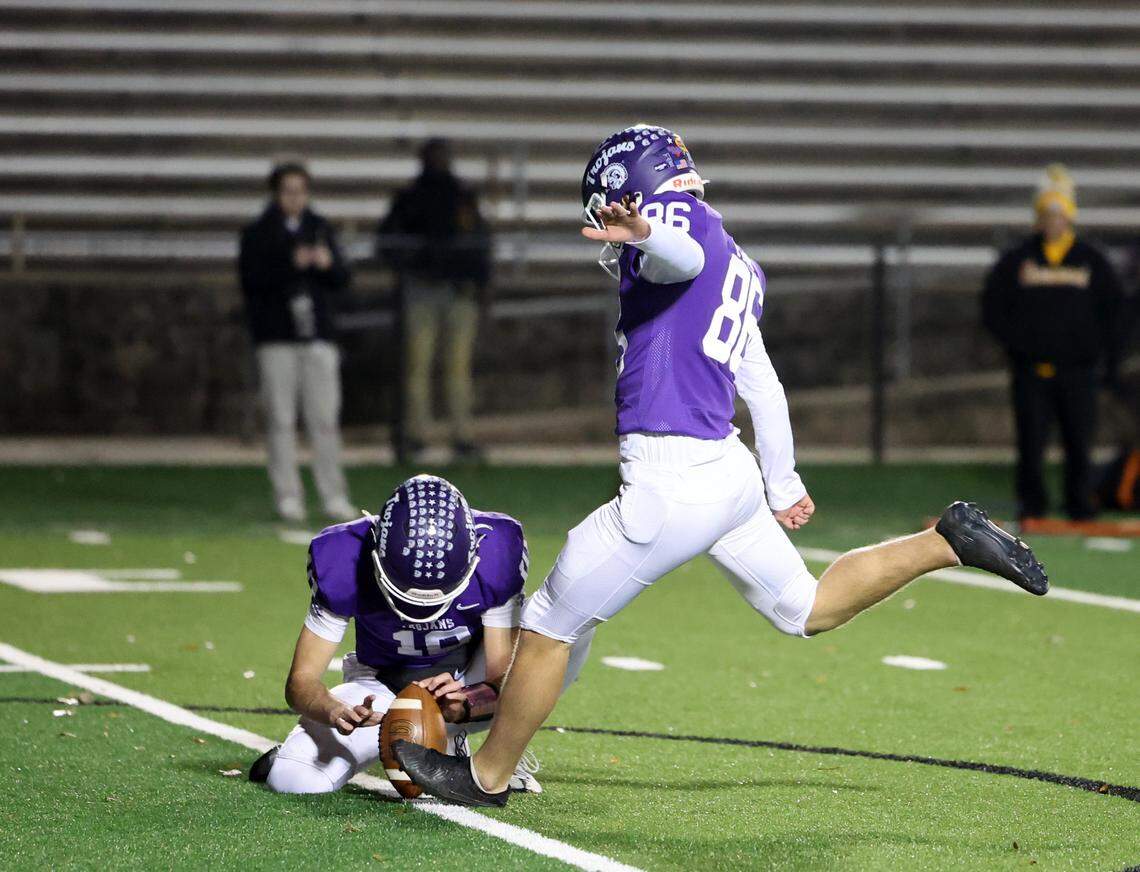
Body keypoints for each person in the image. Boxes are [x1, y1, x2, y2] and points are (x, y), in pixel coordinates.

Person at [392, 124, 1049, 807]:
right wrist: (781, 480)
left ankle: (490, 774)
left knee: (552, 618)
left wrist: (646, 232)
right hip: (727, 473)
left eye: (608, 207)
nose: (606, 225)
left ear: (634, 191)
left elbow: (679, 258)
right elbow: (762, 383)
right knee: (807, 608)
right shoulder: (738, 257)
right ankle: (943, 541)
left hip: (669, 481)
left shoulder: (677, 228)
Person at [247, 474, 593, 794]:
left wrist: (466, 702)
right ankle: (305, 751)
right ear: (377, 554)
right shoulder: (344, 555)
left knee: (565, 630)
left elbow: (503, 678)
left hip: (466, 678)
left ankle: (496, 753)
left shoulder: (496, 551)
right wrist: (333, 710)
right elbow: (301, 682)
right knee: (293, 780)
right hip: (382, 688)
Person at [982, 164, 1123, 521]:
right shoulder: (1016, 261)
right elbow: (994, 308)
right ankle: (1033, 507)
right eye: (1048, 214)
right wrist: (1019, 347)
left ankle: (1080, 506)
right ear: (1038, 217)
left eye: (1060, 214)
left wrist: (1105, 357)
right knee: (1031, 444)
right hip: (1032, 371)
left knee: (1079, 443)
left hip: (1078, 372)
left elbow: (1115, 312)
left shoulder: (1092, 260)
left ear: (1070, 218)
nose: (1054, 221)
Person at [239, 162, 355, 524]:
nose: (295, 198)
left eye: (301, 190)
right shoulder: (259, 232)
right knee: (281, 419)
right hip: (278, 338)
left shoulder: (319, 228)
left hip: (317, 336)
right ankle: (288, 496)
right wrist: (290, 263)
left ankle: (333, 495)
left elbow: (342, 278)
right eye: (288, 191)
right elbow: (252, 280)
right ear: (276, 193)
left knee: (324, 419)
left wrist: (325, 263)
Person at [377, 139, 492, 462]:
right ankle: (417, 435)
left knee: (456, 368)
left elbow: (480, 243)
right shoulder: (411, 198)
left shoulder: (461, 196)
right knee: (420, 366)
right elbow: (388, 242)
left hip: (456, 291)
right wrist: (416, 263)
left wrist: (479, 283)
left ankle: (461, 435)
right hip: (423, 289)